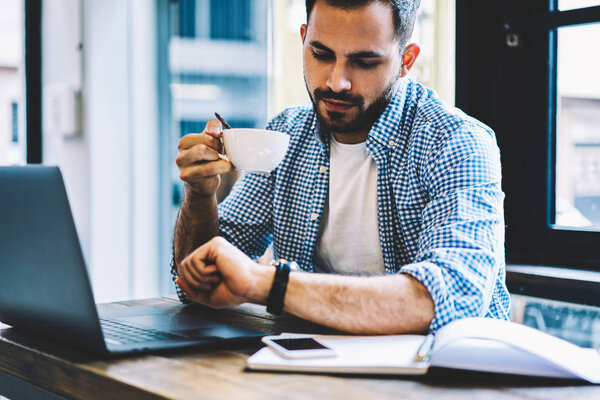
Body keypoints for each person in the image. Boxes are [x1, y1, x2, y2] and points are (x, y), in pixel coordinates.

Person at [171, 0, 510, 334]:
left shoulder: (456, 142)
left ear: (406, 61)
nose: (337, 82)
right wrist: (200, 195)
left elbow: (448, 299)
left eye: (364, 62)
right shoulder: (287, 135)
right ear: (304, 40)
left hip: (439, 380)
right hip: (310, 369)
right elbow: (198, 282)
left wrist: (269, 284)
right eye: (321, 54)